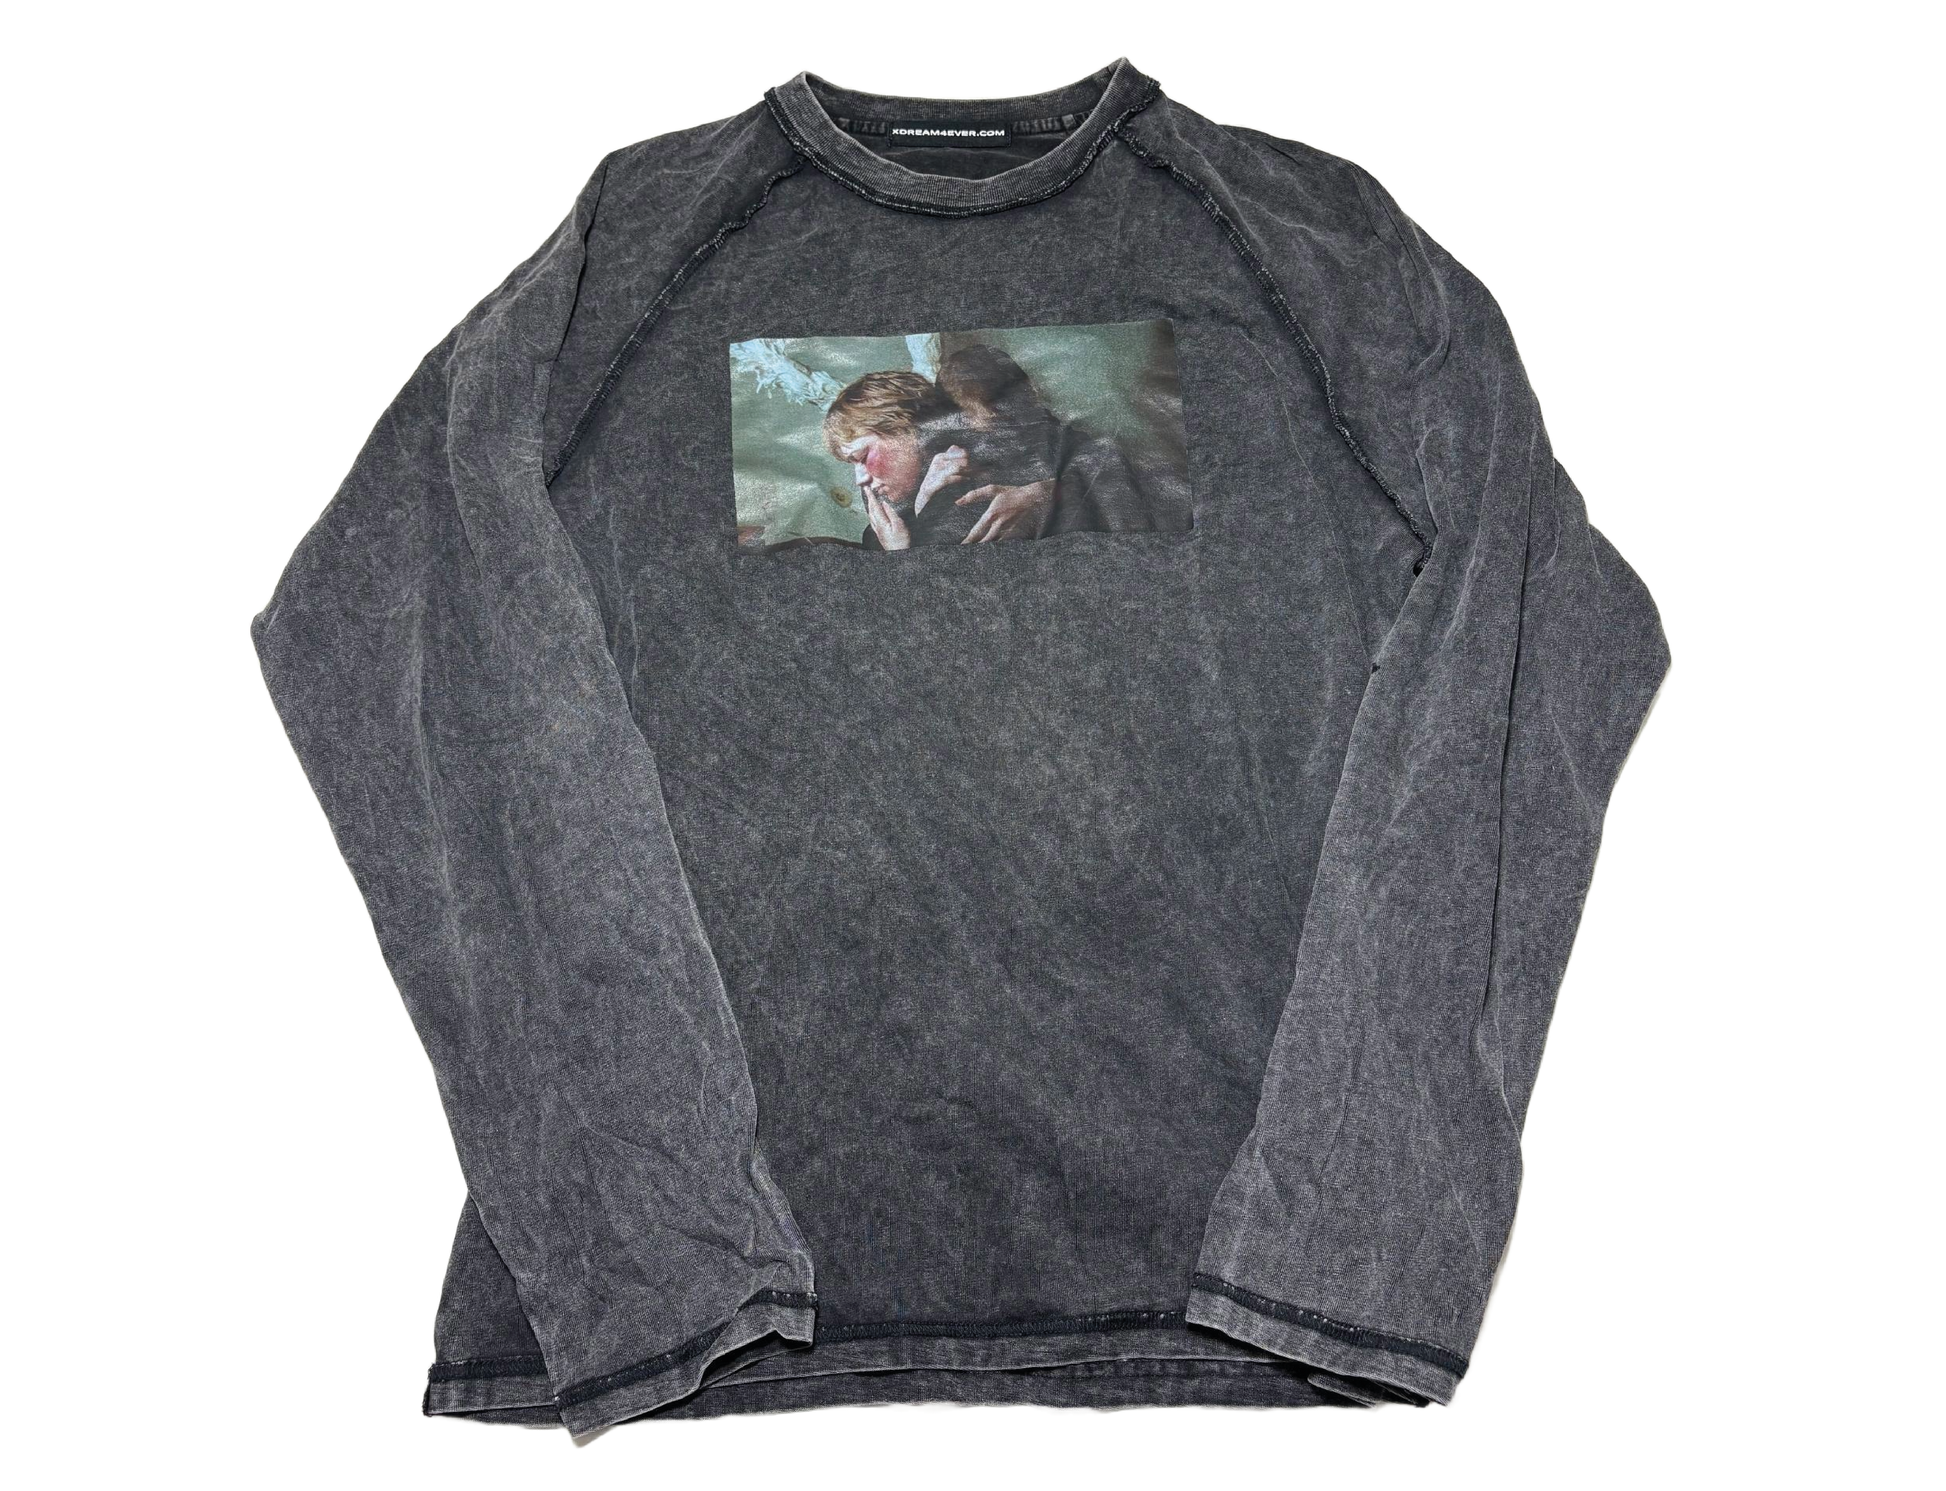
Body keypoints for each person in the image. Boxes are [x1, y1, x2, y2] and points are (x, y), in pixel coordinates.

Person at [822, 345, 1164, 549]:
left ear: (910, 430)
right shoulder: (880, 531)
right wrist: (900, 553)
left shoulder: (1006, 462)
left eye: (864, 457)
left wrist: (1051, 493)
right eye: (852, 464)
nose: (860, 479)